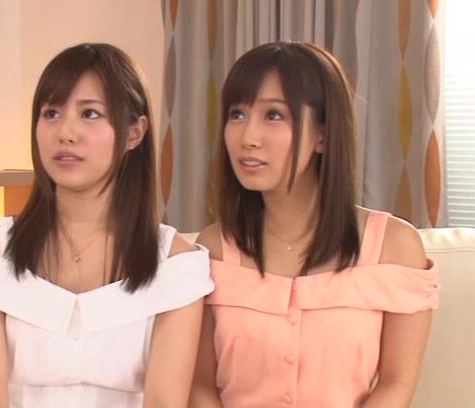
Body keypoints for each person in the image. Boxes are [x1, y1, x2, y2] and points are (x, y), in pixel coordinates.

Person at [0, 43, 213, 408]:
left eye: (90, 114)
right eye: (51, 113)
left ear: (135, 133)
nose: (66, 132)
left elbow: (165, 402)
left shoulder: (176, 264)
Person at [189, 41, 441, 408]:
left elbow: (397, 382)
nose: (247, 138)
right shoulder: (213, 248)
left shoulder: (394, 246)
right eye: (237, 114)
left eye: (274, 115)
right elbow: (200, 385)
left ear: (323, 134)